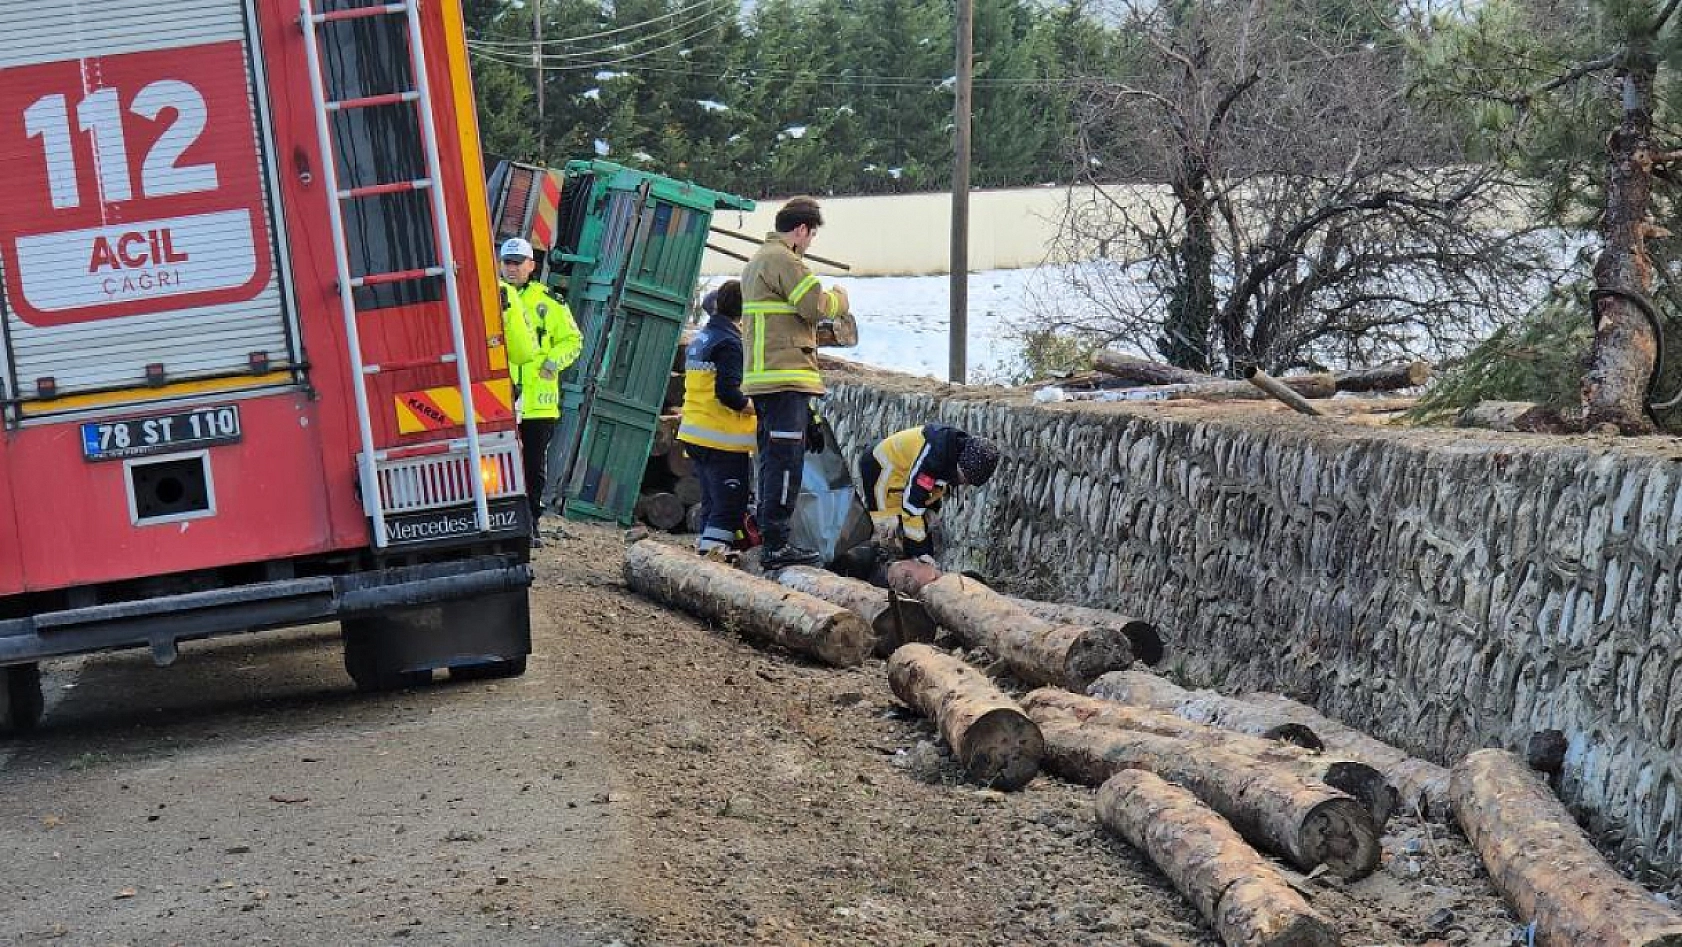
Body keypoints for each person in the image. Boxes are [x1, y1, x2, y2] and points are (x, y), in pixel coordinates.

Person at [740, 197, 850, 569]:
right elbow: (815, 306)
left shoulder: (757, 260)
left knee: (772, 460)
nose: (809, 243)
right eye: (811, 235)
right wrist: (840, 299)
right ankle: (777, 544)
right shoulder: (784, 259)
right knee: (786, 463)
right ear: (801, 229)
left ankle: (771, 538)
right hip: (786, 376)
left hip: (767, 378)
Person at [498, 237, 583, 547]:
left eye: (517, 263)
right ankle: (503, 523)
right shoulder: (491, 296)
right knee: (500, 467)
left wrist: (552, 362)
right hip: (500, 398)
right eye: (507, 262)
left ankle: (531, 522)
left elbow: (573, 341)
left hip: (538, 402)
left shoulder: (549, 302)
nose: (511, 268)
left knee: (533, 466)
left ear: (531, 265)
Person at [678, 281, 756, 556]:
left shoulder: (703, 338)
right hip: (721, 438)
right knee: (728, 507)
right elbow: (728, 393)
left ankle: (703, 549)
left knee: (711, 502)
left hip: (695, 432)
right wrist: (759, 409)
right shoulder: (731, 344)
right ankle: (713, 559)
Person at [858, 424, 1000, 561]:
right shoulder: (934, 454)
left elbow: (932, 488)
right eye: (966, 479)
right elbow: (913, 503)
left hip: (903, 477)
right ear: (963, 464)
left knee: (919, 524)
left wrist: (932, 511)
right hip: (881, 468)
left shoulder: (957, 449)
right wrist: (921, 553)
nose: (965, 484)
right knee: (887, 530)